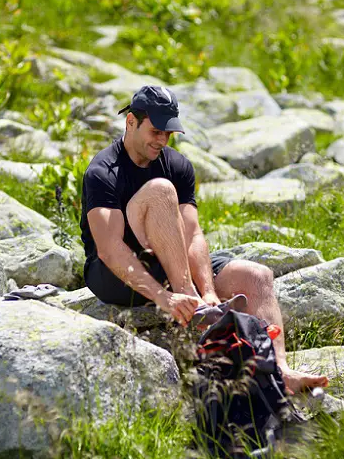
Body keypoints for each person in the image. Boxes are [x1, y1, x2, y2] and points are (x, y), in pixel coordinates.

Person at [80, 85, 328, 395]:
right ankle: (196, 306)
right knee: (160, 191)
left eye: (168, 133)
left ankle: (280, 371)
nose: (162, 140)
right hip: (113, 273)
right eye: (155, 131)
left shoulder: (177, 165)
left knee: (257, 276)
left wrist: (209, 290)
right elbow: (109, 249)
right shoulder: (104, 171)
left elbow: (193, 234)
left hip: (169, 262)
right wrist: (164, 298)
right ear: (131, 122)